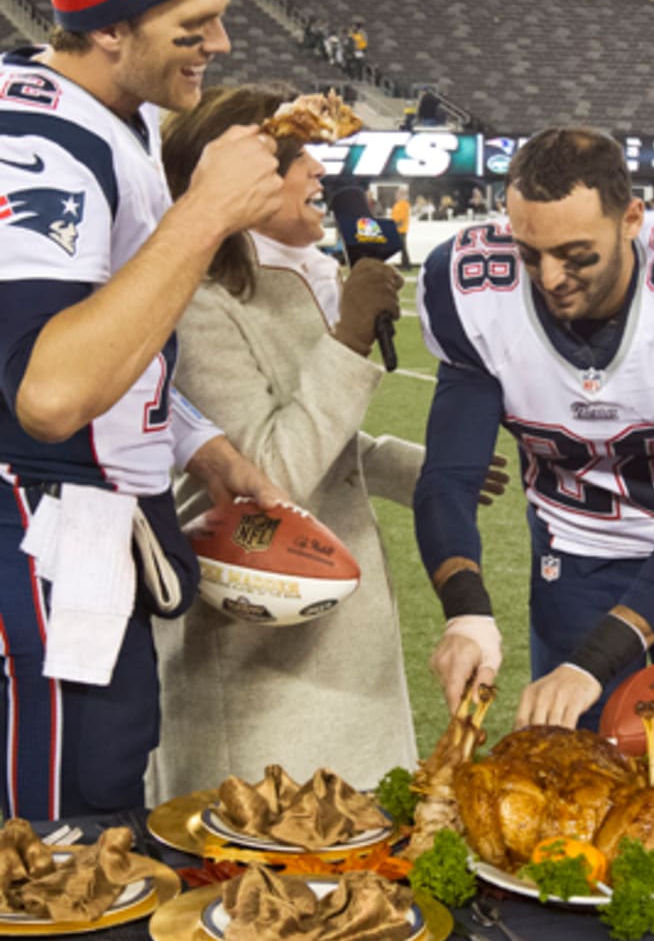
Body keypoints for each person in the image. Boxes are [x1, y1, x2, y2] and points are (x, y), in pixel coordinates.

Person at [0, 0, 287, 819]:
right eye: (193, 24)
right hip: (38, 531)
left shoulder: (113, 118)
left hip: (85, 524)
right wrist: (207, 213)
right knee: (61, 843)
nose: (221, 42)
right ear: (113, 26)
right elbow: (47, 390)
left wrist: (196, 441)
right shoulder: (32, 137)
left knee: (109, 784)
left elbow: (116, 327)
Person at [145, 85, 485, 798]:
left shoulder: (294, 279)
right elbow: (265, 474)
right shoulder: (194, 300)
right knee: (272, 882)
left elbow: (318, 437)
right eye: (301, 159)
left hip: (332, 645)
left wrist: (405, 468)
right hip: (262, 659)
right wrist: (352, 335)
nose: (321, 177)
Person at [413, 127, 654, 730]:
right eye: (530, 253)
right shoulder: (470, 289)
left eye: (576, 255)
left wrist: (592, 663)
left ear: (631, 219)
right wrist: (465, 614)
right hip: (572, 558)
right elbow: (448, 480)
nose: (551, 277)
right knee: (576, 789)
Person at [391, 189, 414, 270]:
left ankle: (406, 265)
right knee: (402, 247)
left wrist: (396, 224)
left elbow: (402, 217)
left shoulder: (404, 204)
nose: (396, 196)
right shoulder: (397, 204)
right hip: (398, 228)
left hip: (401, 229)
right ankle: (405, 264)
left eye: (398, 194)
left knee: (403, 247)